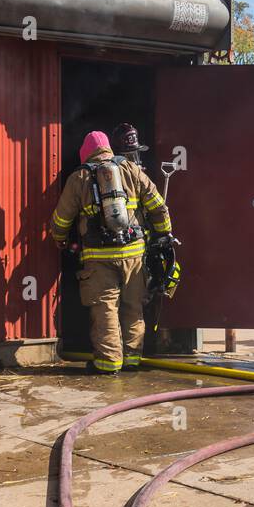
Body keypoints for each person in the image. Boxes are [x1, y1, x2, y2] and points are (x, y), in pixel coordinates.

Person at [50, 125, 172, 373]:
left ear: (86, 153)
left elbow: (62, 219)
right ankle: (132, 359)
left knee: (105, 308)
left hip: (98, 258)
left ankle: (107, 363)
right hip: (134, 255)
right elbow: (158, 206)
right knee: (133, 307)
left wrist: (59, 239)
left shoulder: (79, 178)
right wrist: (163, 234)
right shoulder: (131, 169)